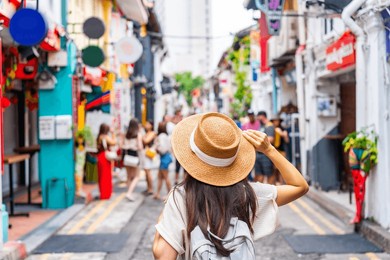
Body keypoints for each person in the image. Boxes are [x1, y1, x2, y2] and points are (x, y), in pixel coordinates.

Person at [152, 112, 309, 259]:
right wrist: (269, 150)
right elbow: (300, 186)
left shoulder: (181, 196)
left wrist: (164, 217)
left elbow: (163, 255)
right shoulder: (248, 194)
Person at [121, 118, 143, 201]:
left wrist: (128, 146)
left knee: (129, 176)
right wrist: (134, 147)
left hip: (127, 156)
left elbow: (121, 145)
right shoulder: (138, 134)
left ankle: (129, 192)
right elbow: (140, 147)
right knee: (137, 176)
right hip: (134, 156)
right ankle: (129, 193)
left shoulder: (125, 134)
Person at [96, 123, 117, 200]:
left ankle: (103, 192)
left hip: (100, 156)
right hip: (105, 157)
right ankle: (106, 194)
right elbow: (114, 143)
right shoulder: (105, 137)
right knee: (106, 176)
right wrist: (113, 133)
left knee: (101, 176)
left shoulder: (99, 137)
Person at [255, 111, 276, 184]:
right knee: (259, 174)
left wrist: (256, 140)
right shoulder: (261, 126)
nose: (257, 119)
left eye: (258, 117)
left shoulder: (269, 125)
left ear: (263, 116)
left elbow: (270, 139)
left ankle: (272, 193)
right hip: (259, 154)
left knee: (269, 174)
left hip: (266, 154)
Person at [154, 122, 173, 200]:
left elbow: (162, 148)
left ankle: (170, 195)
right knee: (160, 176)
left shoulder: (161, 136)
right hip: (166, 157)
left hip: (164, 157)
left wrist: (157, 148)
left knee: (165, 177)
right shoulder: (166, 136)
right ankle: (157, 193)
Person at [271, 116, 290, 184]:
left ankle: (282, 183)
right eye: (274, 121)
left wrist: (282, 134)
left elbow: (287, 140)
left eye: (277, 121)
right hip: (273, 150)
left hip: (281, 151)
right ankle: (275, 182)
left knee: (281, 167)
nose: (276, 122)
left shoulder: (283, 129)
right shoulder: (271, 129)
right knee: (274, 169)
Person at [142, 120, 157, 195]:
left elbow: (146, 141)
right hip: (145, 154)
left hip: (149, 154)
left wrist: (142, 136)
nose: (146, 125)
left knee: (148, 171)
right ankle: (148, 188)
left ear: (151, 125)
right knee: (146, 171)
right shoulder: (146, 133)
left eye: (147, 124)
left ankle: (151, 189)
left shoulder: (152, 133)